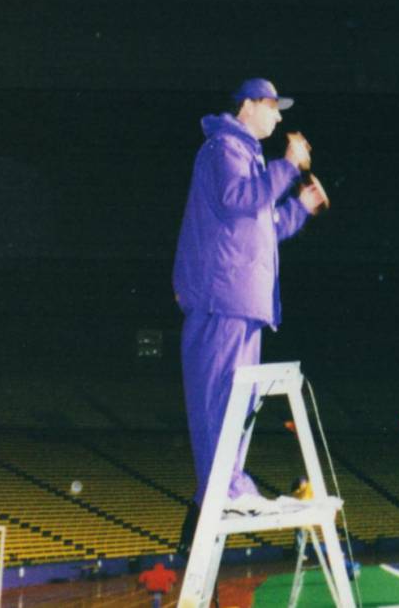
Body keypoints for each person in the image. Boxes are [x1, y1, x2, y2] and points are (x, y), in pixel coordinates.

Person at [173, 78, 329, 542]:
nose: (279, 117)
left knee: (237, 405)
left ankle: (229, 488)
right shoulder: (223, 148)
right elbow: (238, 199)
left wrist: (300, 206)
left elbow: (264, 225)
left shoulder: (249, 159)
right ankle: (222, 492)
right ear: (248, 106)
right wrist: (287, 165)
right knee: (220, 398)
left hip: (243, 299)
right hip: (221, 297)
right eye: (272, 107)